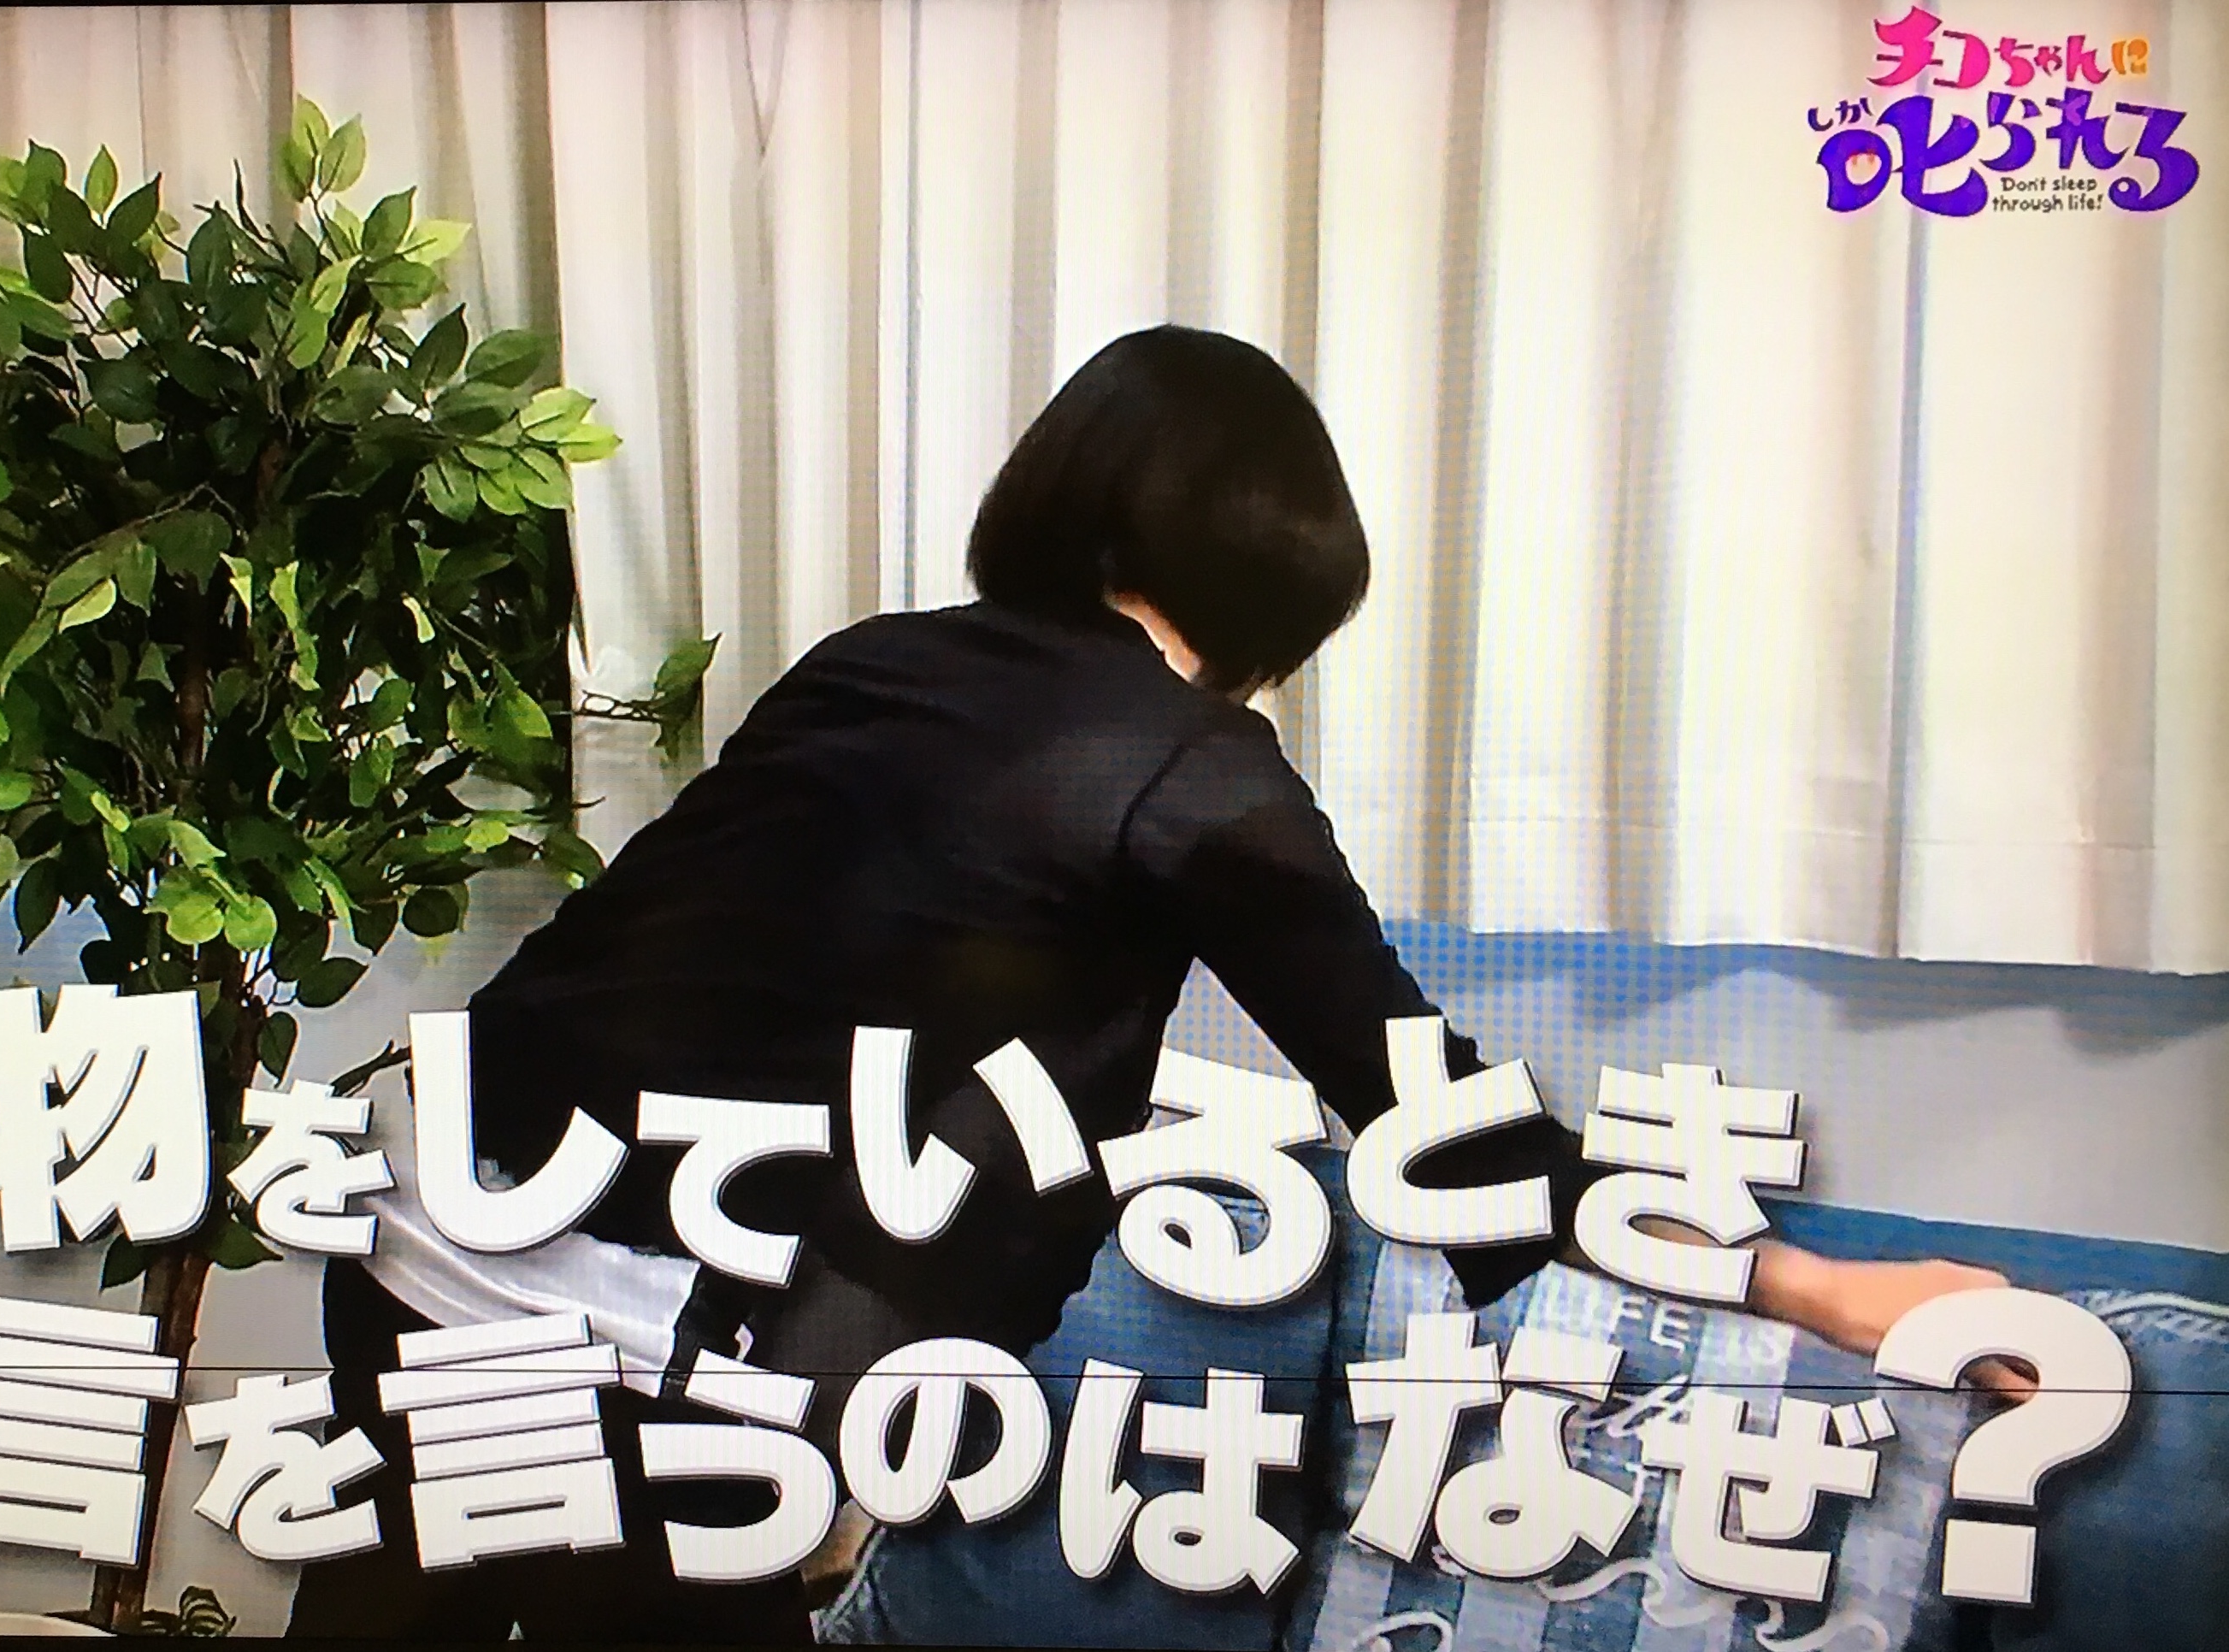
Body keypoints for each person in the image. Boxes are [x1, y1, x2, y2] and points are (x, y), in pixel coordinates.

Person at [280, 326, 2014, 1642]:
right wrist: (1817, 1286)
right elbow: (1435, 1124)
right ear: (1277, 585)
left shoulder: (875, 658)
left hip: (427, 1202)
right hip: (636, 1336)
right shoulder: (1195, 766)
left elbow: (696, 958)